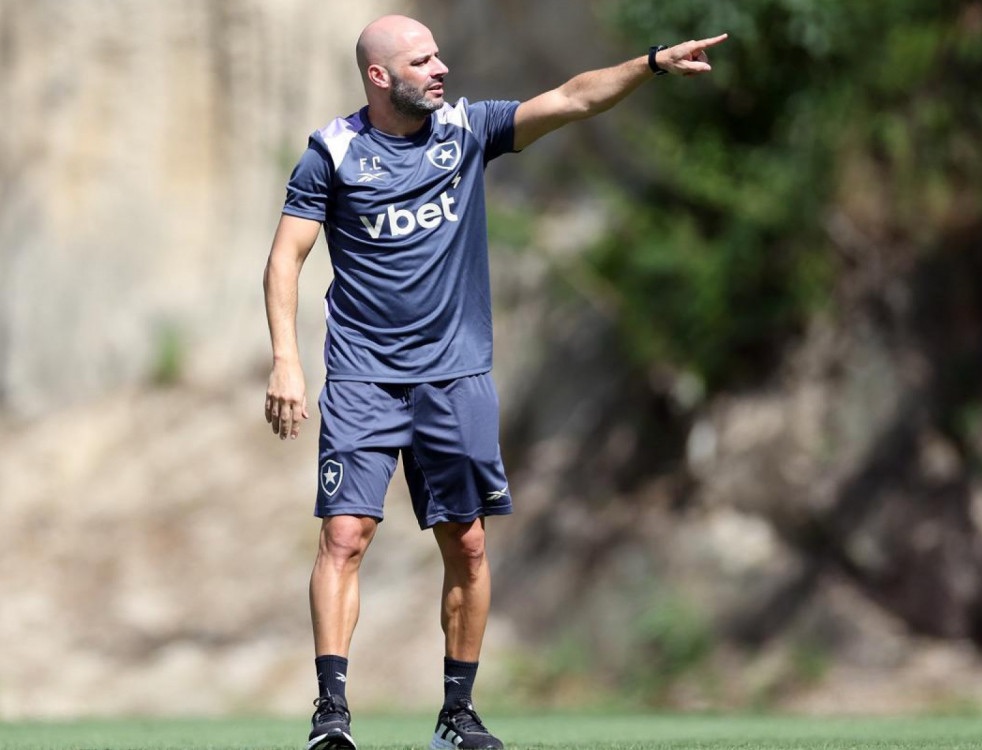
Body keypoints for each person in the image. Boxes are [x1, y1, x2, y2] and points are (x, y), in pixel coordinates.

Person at [262, 14, 727, 750]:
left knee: (469, 543)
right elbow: (285, 257)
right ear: (380, 77)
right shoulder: (334, 153)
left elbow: (571, 98)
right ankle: (332, 715)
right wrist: (287, 360)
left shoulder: (466, 130)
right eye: (422, 61)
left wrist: (650, 64)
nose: (440, 69)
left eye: (438, 56)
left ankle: (457, 716)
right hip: (363, 377)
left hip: (456, 377)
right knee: (344, 536)